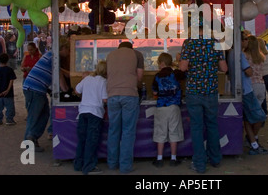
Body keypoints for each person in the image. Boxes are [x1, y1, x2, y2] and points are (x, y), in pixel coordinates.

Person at [179, 24, 228, 173]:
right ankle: (215, 159)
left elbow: (182, 68)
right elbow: (224, 68)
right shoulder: (216, 43)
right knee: (212, 125)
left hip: (194, 91)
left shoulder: (189, 43)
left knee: (197, 127)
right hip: (211, 90)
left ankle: (199, 164)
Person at [23, 36, 71, 152]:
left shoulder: (51, 55)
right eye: (68, 50)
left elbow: (58, 71)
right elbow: (61, 79)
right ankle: (29, 142)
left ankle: (32, 138)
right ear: (63, 48)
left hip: (34, 87)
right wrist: (67, 90)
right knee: (35, 116)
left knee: (44, 114)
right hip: (35, 89)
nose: (69, 52)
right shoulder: (55, 58)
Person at [228, 33, 268, 156]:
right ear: (239, 41)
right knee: (260, 116)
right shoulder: (240, 54)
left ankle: (253, 143)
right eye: (245, 39)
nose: (246, 41)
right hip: (247, 89)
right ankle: (254, 140)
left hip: (242, 88)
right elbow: (249, 72)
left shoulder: (231, 53)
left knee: (247, 118)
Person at [106, 41, 144, 174]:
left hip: (112, 95)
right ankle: (125, 166)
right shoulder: (137, 54)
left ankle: (112, 163)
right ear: (131, 47)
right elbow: (139, 77)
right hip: (129, 95)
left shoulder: (110, 55)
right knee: (128, 131)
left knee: (113, 130)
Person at [151, 52, 186, 168]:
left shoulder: (157, 76)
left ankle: (159, 159)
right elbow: (185, 73)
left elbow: (155, 92)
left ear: (161, 63)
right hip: (174, 107)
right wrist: (177, 62)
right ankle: (173, 158)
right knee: (174, 132)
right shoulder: (175, 74)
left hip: (161, 107)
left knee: (160, 132)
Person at [73, 60, 108, 175]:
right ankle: (89, 166)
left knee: (82, 139)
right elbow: (104, 99)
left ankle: (78, 164)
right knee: (91, 141)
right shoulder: (104, 81)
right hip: (95, 113)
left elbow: (76, 90)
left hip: (83, 112)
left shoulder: (87, 78)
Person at [0, 53, 17, 126]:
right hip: (8, 93)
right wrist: (8, 90)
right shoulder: (10, 70)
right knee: (10, 107)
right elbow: (11, 81)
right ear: (7, 60)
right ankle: (9, 119)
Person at [21, 42, 42, 110]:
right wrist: (24, 69)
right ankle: (29, 111)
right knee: (27, 96)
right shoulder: (26, 56)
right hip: (26, 78)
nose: (30, 51)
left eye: (31, 50)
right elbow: (22, 67)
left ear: (35, 49)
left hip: (35, 79)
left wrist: (32, 69)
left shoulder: (39, 56)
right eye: (28, 50)